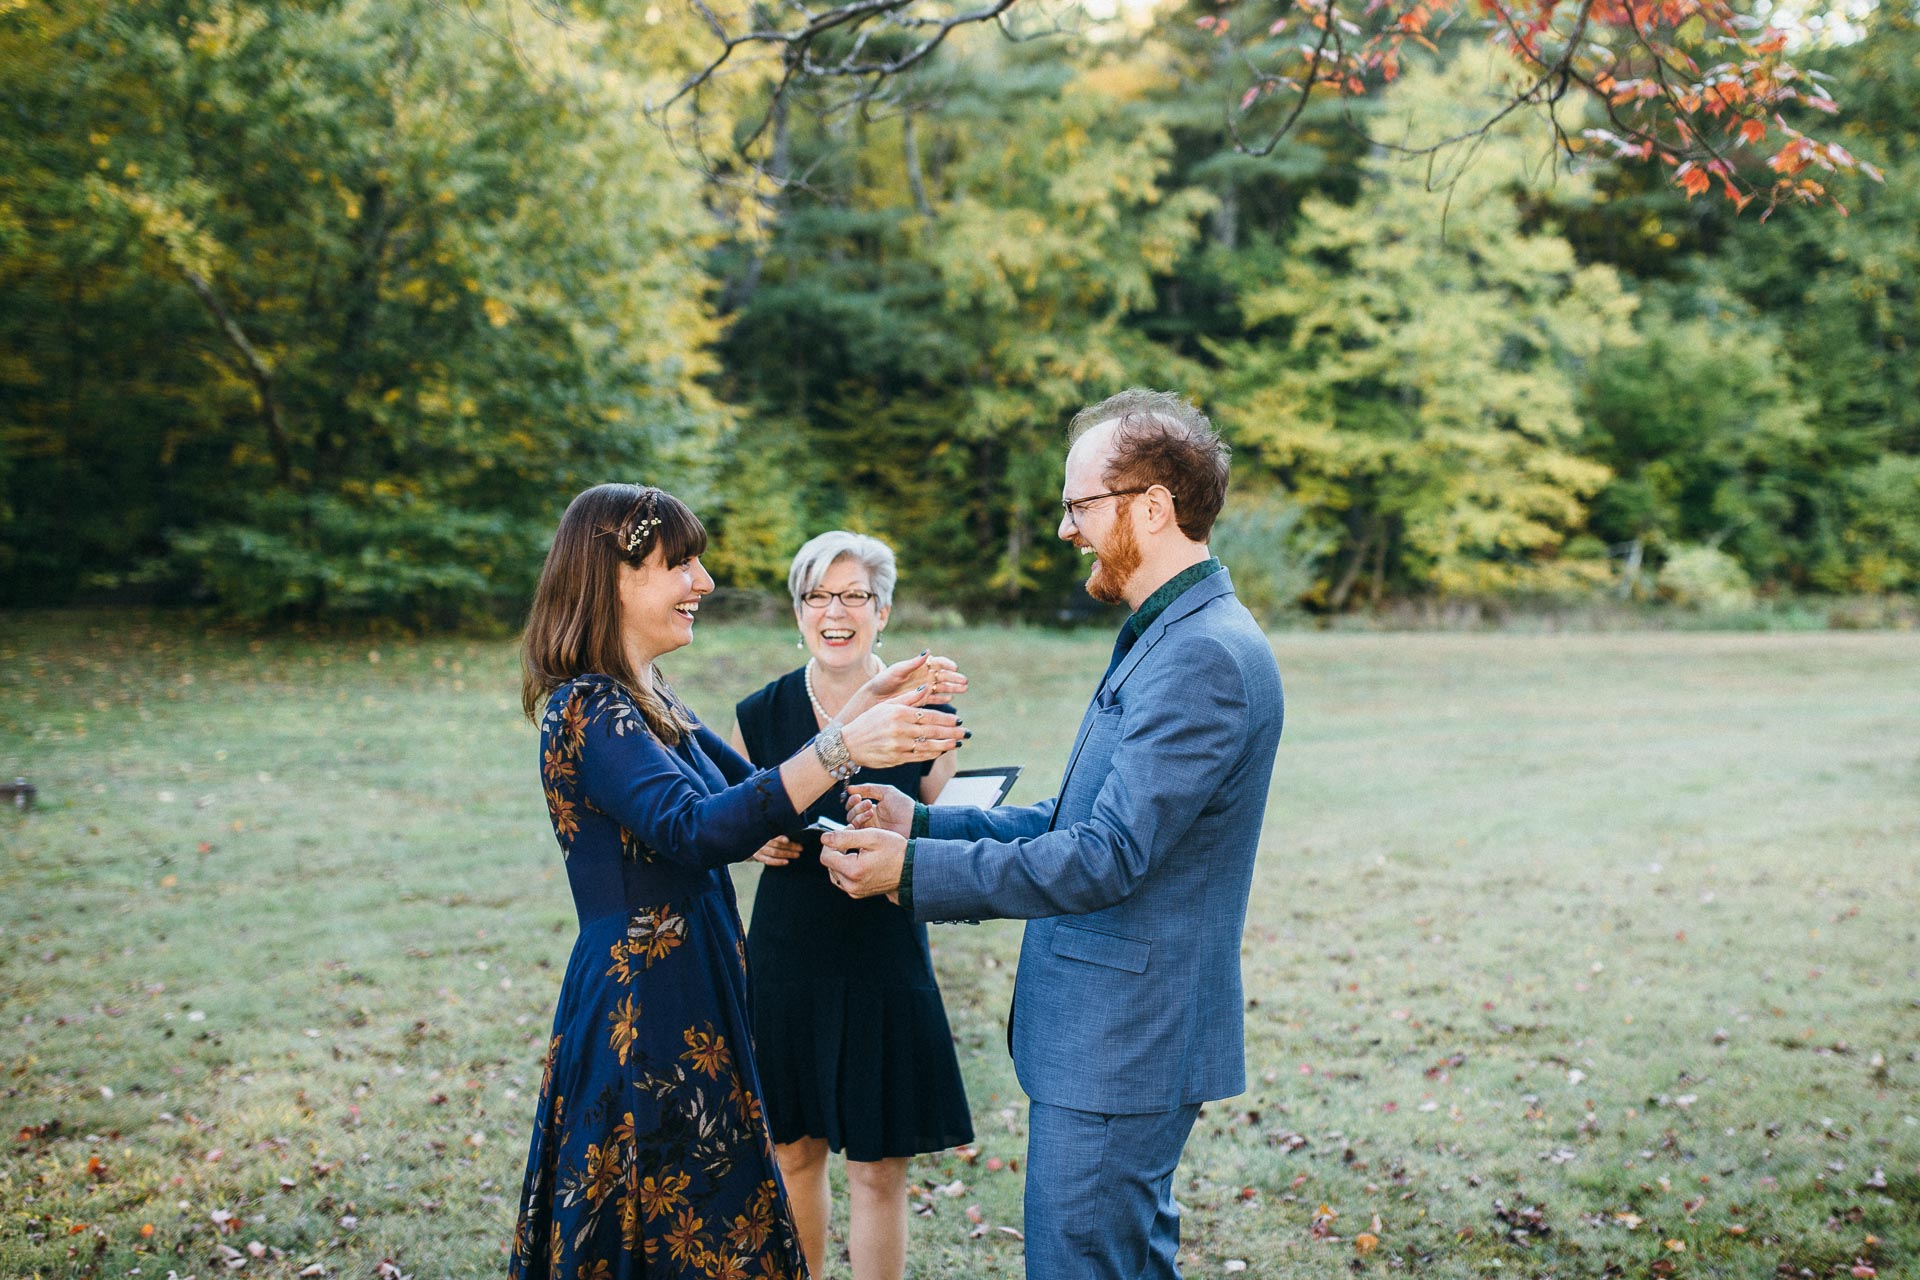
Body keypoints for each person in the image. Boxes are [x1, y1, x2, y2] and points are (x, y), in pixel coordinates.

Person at [820, 391, 1285, 1280]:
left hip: (1124, 1044)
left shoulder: (1200, 656)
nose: (1067, 530)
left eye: (1079, 506)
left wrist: (910, 874)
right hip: (1113, 1039)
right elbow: (1084, 821)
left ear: (1151, 508)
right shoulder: (1171, 635)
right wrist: (928, 823)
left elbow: (1107, 857)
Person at [509, 483, 968, 1280]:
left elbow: (754, 797)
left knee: (713, 1218)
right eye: (680, 564)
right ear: (615, 578)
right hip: (641, 1007)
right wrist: (846, 744)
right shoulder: (589, 709)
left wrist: (864, 702)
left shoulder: (650, 700)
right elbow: (699, 831)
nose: (704, 582)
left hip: (702, 988)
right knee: (661, 1221)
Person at [729, 532, 973, 1280]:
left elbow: (951, 823)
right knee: (792, 1152)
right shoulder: (761, 711)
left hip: (882, 945)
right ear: (800, 612)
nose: (835, 611)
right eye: (817, 595)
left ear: (884, 610)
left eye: (854, 595)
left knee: (878, 1164)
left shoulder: (921, 709)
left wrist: (902, 821)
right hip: (788, 946)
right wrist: (751, 842)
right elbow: (733, 819)